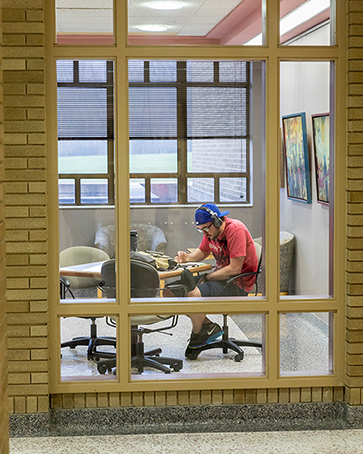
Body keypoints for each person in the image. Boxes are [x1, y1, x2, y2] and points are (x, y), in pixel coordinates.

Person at [175, 203, 258, 359]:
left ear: (218, 222)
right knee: (170, 293)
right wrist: (187, 258)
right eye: (201, 230)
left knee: (193, 295)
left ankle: (197, 335)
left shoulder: (236, 231)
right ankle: (208, 326)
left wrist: (208, 277)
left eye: (206, 228)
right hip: (220, 278)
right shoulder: (210, 233)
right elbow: (202, 251)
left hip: (235, 283)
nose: (205, 233)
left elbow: (234, 269)